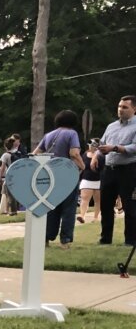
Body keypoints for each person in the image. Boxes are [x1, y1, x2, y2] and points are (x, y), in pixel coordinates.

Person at [33, 109, 84, 249]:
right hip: (67, 174)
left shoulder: (48, 135)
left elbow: (35, 153)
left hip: (50, 175)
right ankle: (65, 240)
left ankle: (46, 238)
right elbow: (74, 153)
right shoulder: (72, 133)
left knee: (50, 208)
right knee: (68, 208)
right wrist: (82, 166)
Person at [92, 95, 136, 246]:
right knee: (105, 204)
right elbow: (103, 144)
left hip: (128, 169)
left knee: (129, 205)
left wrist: (115, 148)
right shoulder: (111, 126)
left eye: (125, 107)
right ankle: (105, 238)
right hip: (109, 169)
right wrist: (96, 155)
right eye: (119, 106)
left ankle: (130, 240)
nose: (120, 110)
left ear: (134, 109)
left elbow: (134, 148)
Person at [77, 140, 102, 224]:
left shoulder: (101, 156)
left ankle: (95, 217)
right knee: (84, 198)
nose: (90, 147)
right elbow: (82, 166)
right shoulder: (84, 155)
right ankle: (82, 216)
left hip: (98, 180)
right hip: (86, 179)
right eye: (90, 145)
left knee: (97, 200)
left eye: (92, 145)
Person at [0, 138, 19, 216]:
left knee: (9, 195)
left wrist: (0, 177)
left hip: (9, 176)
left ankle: (12, 211)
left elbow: (2, 167)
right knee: (15, 194)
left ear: (6, 146)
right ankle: (13, 210)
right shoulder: (18, 153)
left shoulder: (6, 155)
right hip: (18, 176)